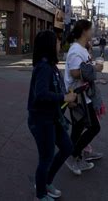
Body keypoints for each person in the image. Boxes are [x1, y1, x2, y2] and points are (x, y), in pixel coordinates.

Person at [27, 30, 77, 201]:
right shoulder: (43, 68)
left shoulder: (52, 66)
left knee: (67, 147)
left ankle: (45, 183)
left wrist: (67, 99)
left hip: (53, 118)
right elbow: (40, 95)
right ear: (49, 45)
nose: (59, 45)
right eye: (56, 42)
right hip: (41, 121)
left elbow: (55, 91)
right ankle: (40, 194)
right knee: (46, 158)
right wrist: (64, 97)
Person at [64, 20, 103, 175]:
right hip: (76, 96)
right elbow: (74, 72)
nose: (92, 32)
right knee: (93, 127)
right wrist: (94, 69)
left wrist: (94, 74)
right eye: (91, 29)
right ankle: (73, 156)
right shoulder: (75, 50)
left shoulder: (82, 49)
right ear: (84, 31)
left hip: (82, 94)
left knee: (79, 128)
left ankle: (79, 153)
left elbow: (84, 70)